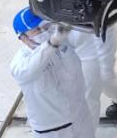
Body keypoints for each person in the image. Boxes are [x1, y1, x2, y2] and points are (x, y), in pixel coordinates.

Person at [10, 8, 95, 138]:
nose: (44, 32)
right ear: (23, 38)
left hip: (80, 116)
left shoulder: (62, 45)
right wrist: (52, 43)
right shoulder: (20, 63)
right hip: (53, 130)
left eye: (46, 27)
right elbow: (31, 69)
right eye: (37, 30)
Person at [67, 24, 117, 121]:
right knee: (100, 80)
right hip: (63, 32)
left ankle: (86, 128)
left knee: (91, 90)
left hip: (93, 36)